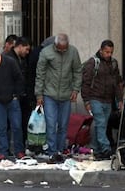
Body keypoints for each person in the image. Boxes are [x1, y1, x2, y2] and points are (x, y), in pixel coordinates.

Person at [35, 33, 82, 164]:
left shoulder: (73, 52)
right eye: (60, 48)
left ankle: (60, 150)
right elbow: (40, 74)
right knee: (51, 124)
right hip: (49, 94)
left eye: (64, 48)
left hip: (66, 94)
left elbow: (78, 71)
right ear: (55, 45)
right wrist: (39, 94)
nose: (62, 51)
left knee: (63, 125)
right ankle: (52, 151)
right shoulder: (46, 52)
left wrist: (75, 89)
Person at [81, 40, 123, 160]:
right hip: (95, 97)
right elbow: (85, 83)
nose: (109, 54)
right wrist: (86, 101)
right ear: (101, 50)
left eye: (111, 52)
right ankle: (106, 148)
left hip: (108, 99)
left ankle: (96, 148)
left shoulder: (113, 64)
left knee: (102, 125)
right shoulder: (93, 63)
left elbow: (116, 83)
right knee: (100, 122)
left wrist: (119, 99)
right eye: (106, 52)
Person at [6, 37, 32, 145]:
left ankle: (19, 147)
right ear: (20, 46)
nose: (27, 52)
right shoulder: (9, 58)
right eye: (26, 49)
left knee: (19, 123)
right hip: (12, 96)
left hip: (21, 95)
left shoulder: (22, 59)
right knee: (8, 124)